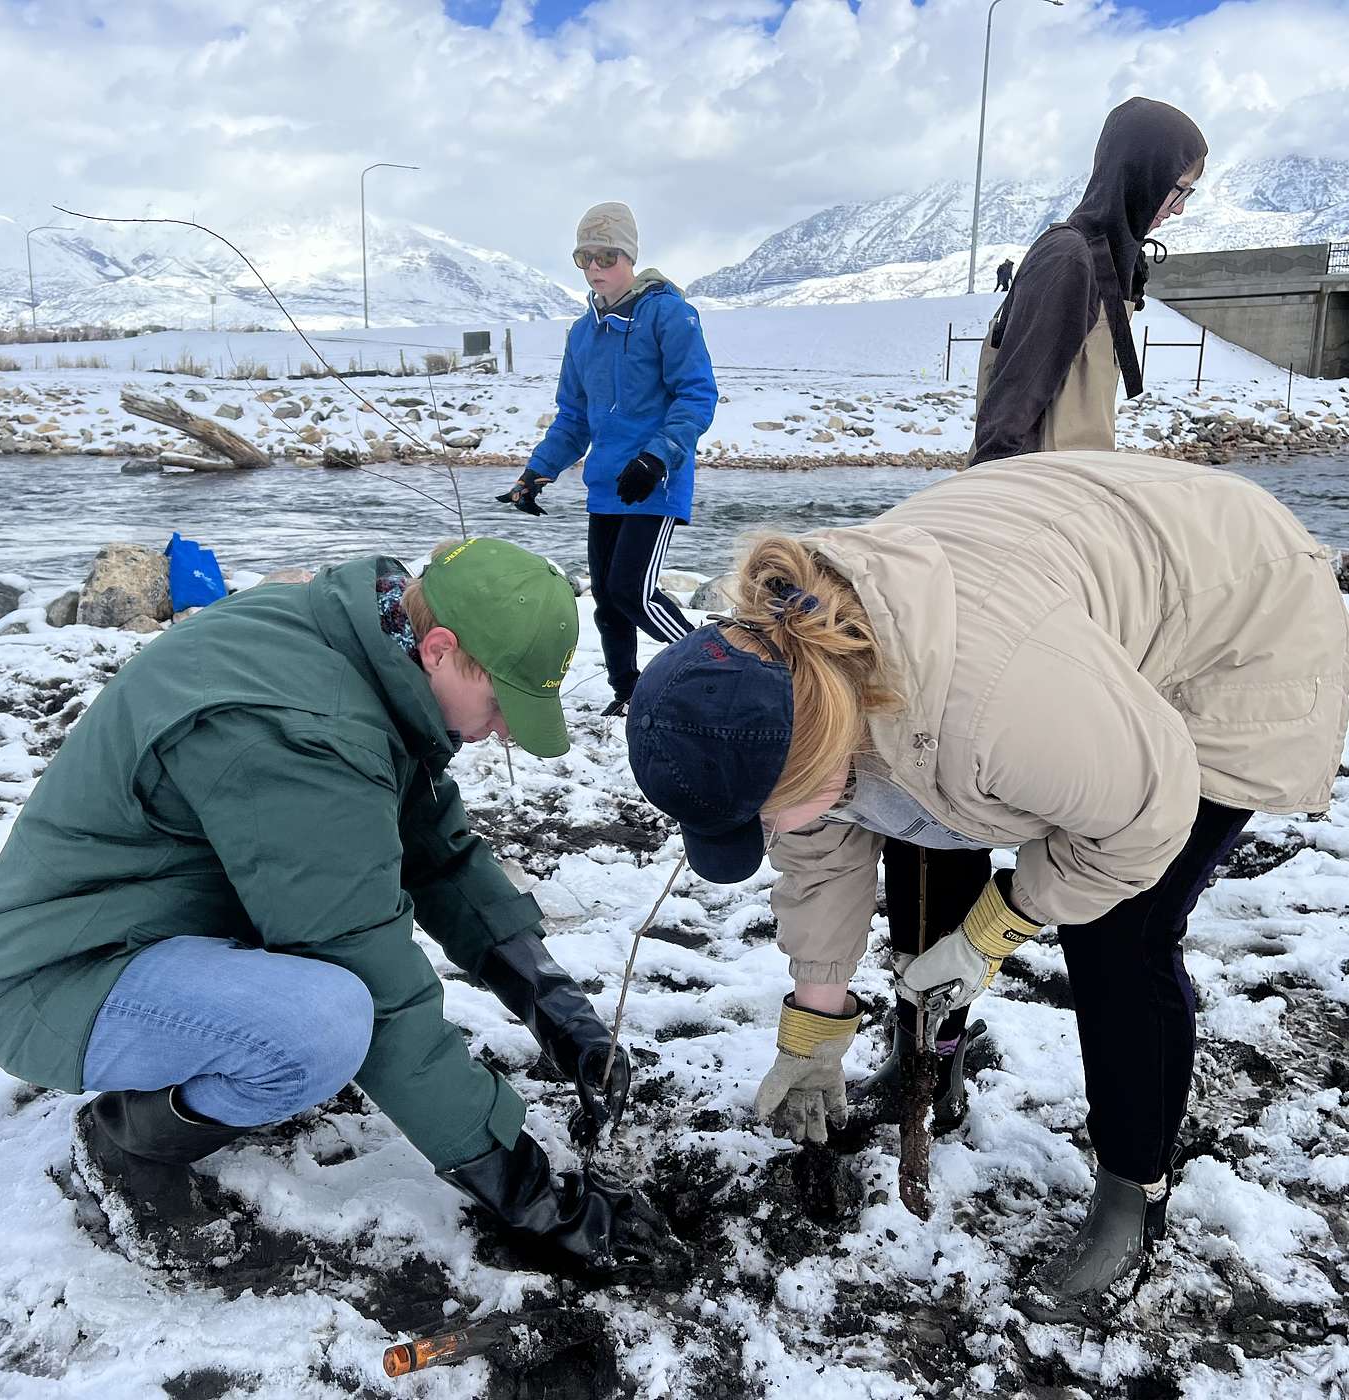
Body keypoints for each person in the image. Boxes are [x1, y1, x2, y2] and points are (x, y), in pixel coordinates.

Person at [625, 450, 1349, 1301]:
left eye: (770, 812)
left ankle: (1132, 1198)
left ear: (817, 747)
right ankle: (935, 1063)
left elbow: (1142, 820)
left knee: (1121, 929)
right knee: (917, 817)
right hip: (1050, 583)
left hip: (1232, 620)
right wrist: (814, 1026)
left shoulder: (995, 705)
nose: (774, 833)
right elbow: (825, 839)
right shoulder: (789, 668)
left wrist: (993, 930)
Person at [0, 539, 669, 1279]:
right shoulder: (298, 729)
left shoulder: (360, 650)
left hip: (147, 929)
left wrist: (558, 1012)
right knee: (320, 1031)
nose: (505, 729)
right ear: (440, 649)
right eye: (500, 703)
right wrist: (538, 1201)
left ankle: (210, 1057)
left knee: (321, 1020)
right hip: (55, 977)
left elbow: (436, 852)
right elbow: (380, 992)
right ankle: (126, 1141)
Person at [498, 200, 718, 717]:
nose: (596, 268)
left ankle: (710, 668)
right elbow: (573, 417)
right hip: (606, 484)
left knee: (632, 592)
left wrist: (657, 458)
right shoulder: (581, 333)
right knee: (607, 600)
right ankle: (629, 690)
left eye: (606, 256)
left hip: (653, 480)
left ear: (629, 255)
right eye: (584, 259)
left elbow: (696, 396)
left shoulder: (669, 314)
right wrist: (537, 473)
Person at [970, 98, 1206, 466]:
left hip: (1074, 490)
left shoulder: (1112, 261)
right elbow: (1009, 410)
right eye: (1177, 187)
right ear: (1141, 172)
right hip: (1035, 496)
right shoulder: (1069, 258)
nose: (1179, 207)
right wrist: (989, 503)